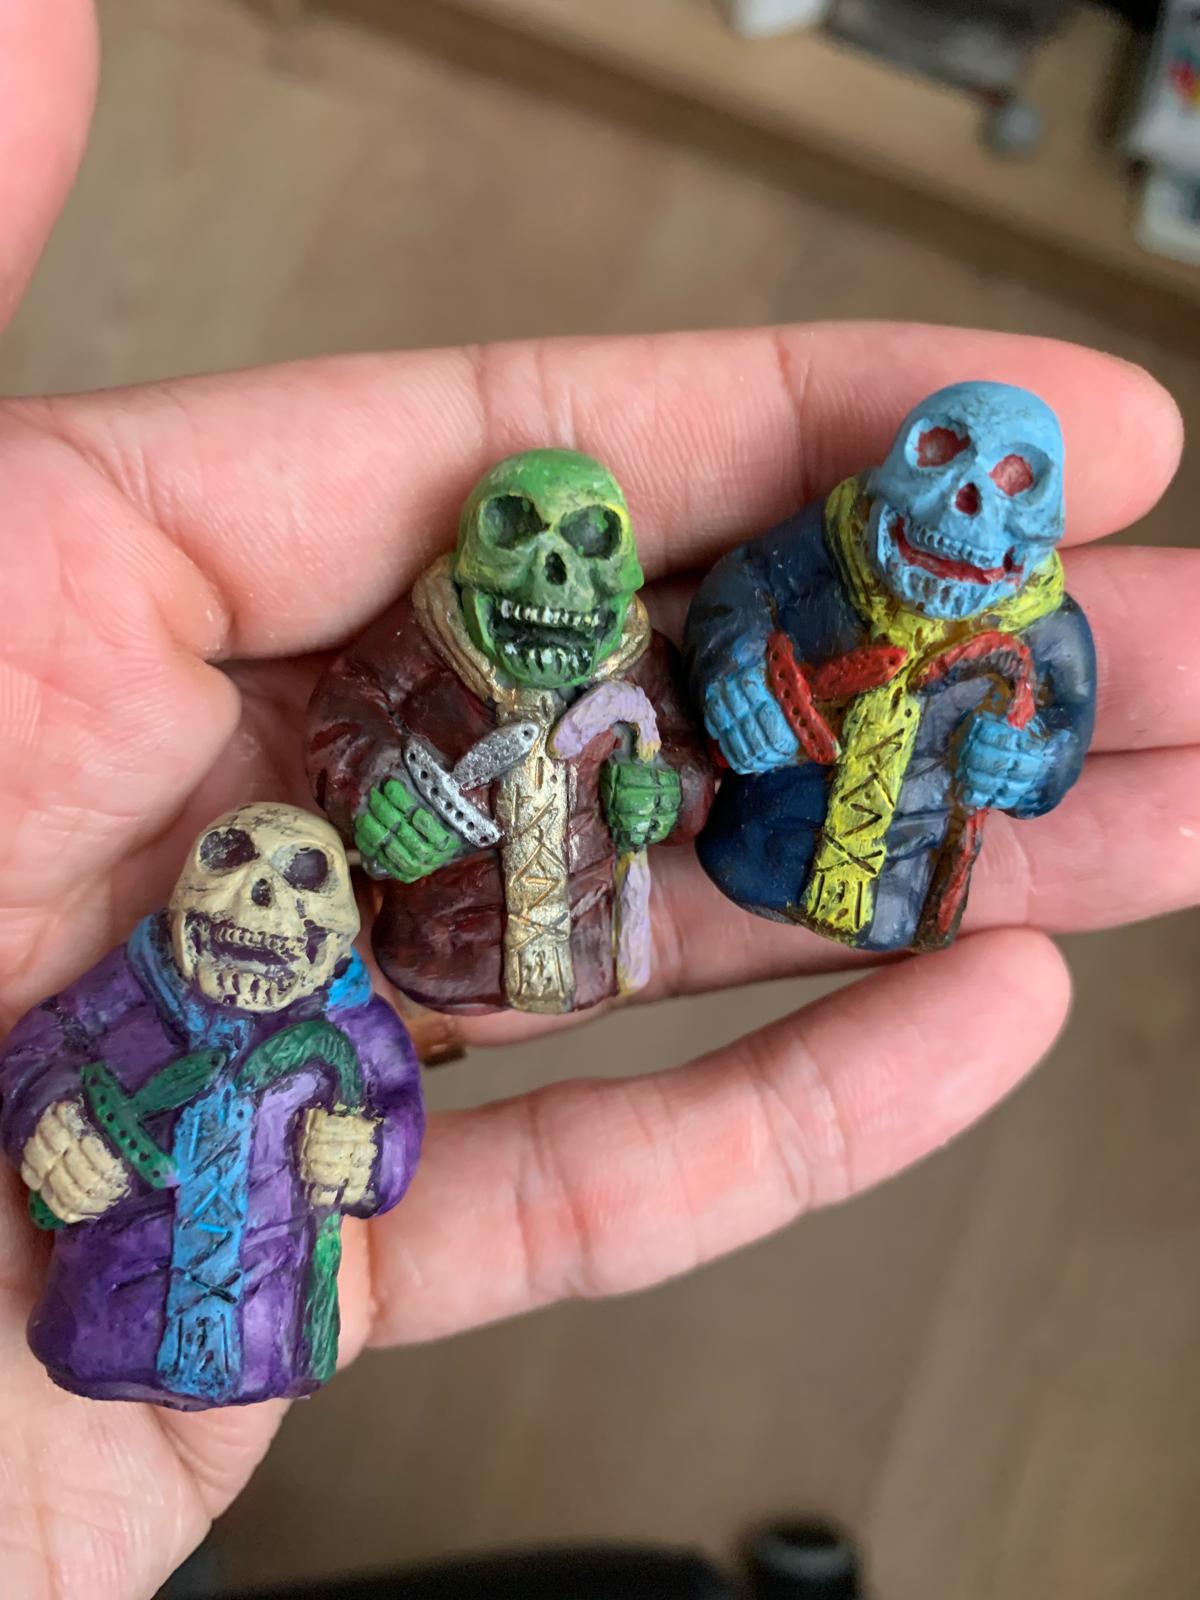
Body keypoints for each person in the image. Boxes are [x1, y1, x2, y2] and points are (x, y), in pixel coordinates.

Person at [0, 5, 1197, 1597]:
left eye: (593, 557)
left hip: (675, 915)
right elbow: (342, 748)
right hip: (430, 957)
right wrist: (369, 814)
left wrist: (679, 789)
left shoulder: (710, 650)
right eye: (529, 544)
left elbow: (685, 756)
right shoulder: (395, 684)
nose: (560, 583)